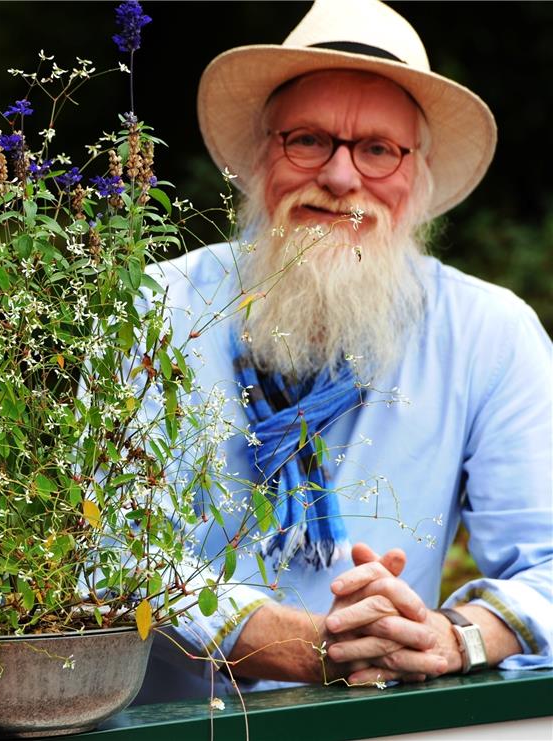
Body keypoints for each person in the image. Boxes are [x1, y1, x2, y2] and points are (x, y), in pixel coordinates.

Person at [134, 0, 552, 703]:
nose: (340, 176)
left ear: (417, 175)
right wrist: (304, 647)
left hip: (383, 715)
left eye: (378, 149)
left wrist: (453, 639)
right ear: (261, 154)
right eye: (308, 140)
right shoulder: (157, 309)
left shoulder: (490, 333)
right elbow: (111, 556)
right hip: (170, 724)